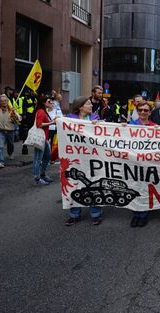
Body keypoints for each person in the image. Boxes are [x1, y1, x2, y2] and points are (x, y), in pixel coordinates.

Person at [65, 96, 103, 226]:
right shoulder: (69, 119)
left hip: (92, 158)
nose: (91, 106)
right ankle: (74, 214)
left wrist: (98, 125)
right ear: (81, 106)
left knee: (93, 184)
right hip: (74, 159)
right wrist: (58, 120)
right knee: (74, 185)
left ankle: (95, 213)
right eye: (88, 104)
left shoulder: (95, 119)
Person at [129, 100, 157, 227]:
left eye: (145, 110)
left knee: (145, 189)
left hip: (148, 164)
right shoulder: (131, 125)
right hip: (134, 163)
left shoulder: (154, 126)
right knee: (135, 188)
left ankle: (144, 214)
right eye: (140, 110)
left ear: (149, 112)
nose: (143, 112)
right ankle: (135, 214)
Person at [0, 94, 21, 169]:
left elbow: (19, 119)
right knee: (0, 146)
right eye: (2, 101)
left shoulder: (11, 110)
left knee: (10, 144)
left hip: (10, 130)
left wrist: (16, 114)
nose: (4, 102)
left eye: (5, 101)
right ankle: (1, 162)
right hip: (0, 131)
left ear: (7, 101)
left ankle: (10, 153)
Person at [32, 96, 55, 186]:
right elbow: (39, 124)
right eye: (49, 101)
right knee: (38, 158)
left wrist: (52, 121)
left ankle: (42, 174)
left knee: (47, 156)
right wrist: (51, 123)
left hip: (44, 138)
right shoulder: (41, 111)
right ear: (43, 103)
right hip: (40, 138)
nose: (51, 103)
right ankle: (37, 178)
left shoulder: (44, 111)